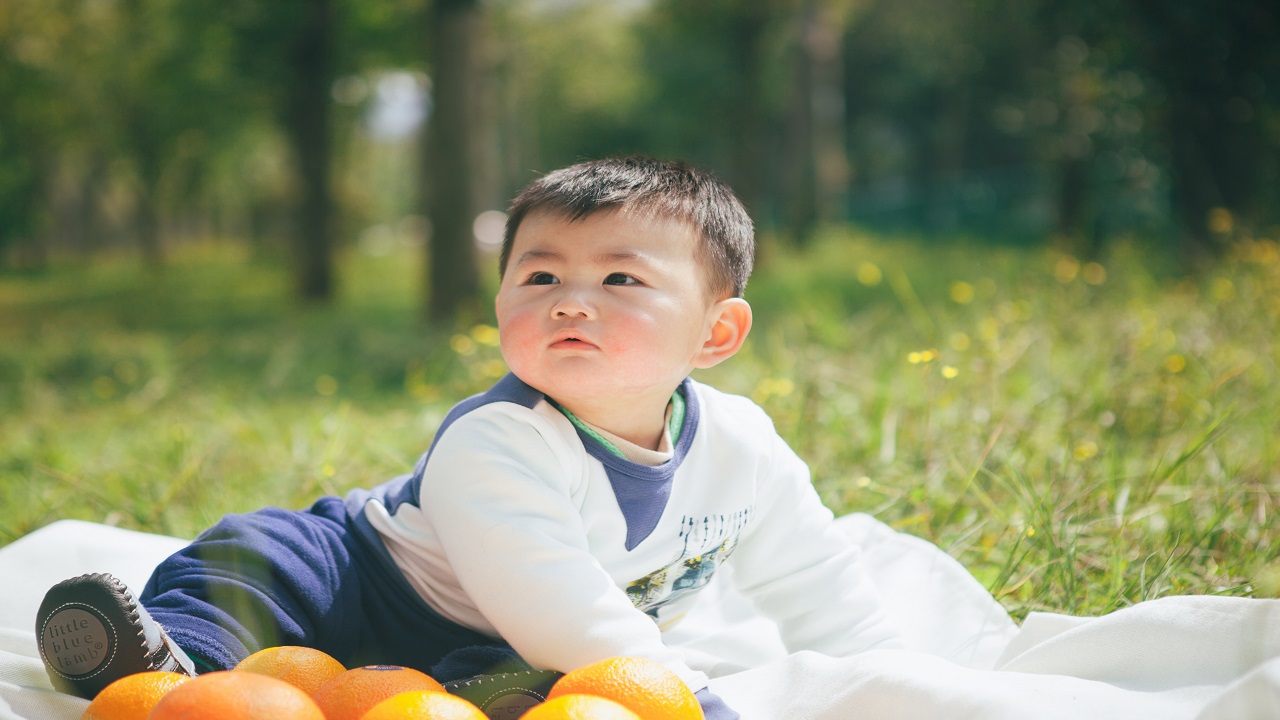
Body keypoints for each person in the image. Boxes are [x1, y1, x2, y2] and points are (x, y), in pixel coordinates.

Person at [36, 157, 901, 719]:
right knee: (252, 559)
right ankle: (163, 661)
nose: (571, 298)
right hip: (368, 574)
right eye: (541, 275)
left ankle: (480, 696)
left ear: (716, 333)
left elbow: (810, 570)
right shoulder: (498, 439)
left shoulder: (741, 443)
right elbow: (560, 604)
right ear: (502, 309)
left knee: (518, 686)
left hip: (497, 640)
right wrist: (682, 696)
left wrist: (880, 670)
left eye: (621, 278)